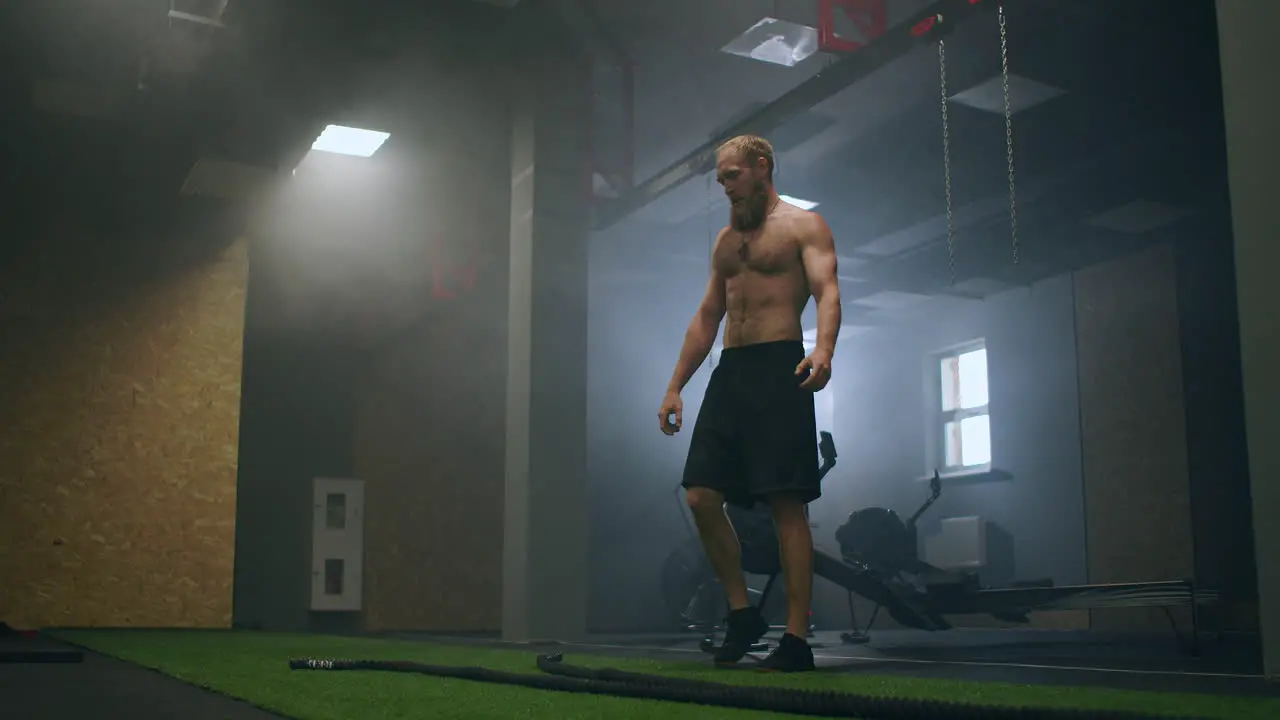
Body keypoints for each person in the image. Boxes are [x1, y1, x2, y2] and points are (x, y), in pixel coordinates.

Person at [658, 135, 841, 672]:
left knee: (787, 505)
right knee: (699, 496)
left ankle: (796, 640)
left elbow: (828, 291)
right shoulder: (724, 242)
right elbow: (708, 315)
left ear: (762, 167)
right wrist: (675, 385)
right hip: (730, 372)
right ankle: (742, 613)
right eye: (720, 179)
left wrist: (824, 349)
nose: (725, 187)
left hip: (779, 367)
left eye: (732, 175)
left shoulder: (804, 226)